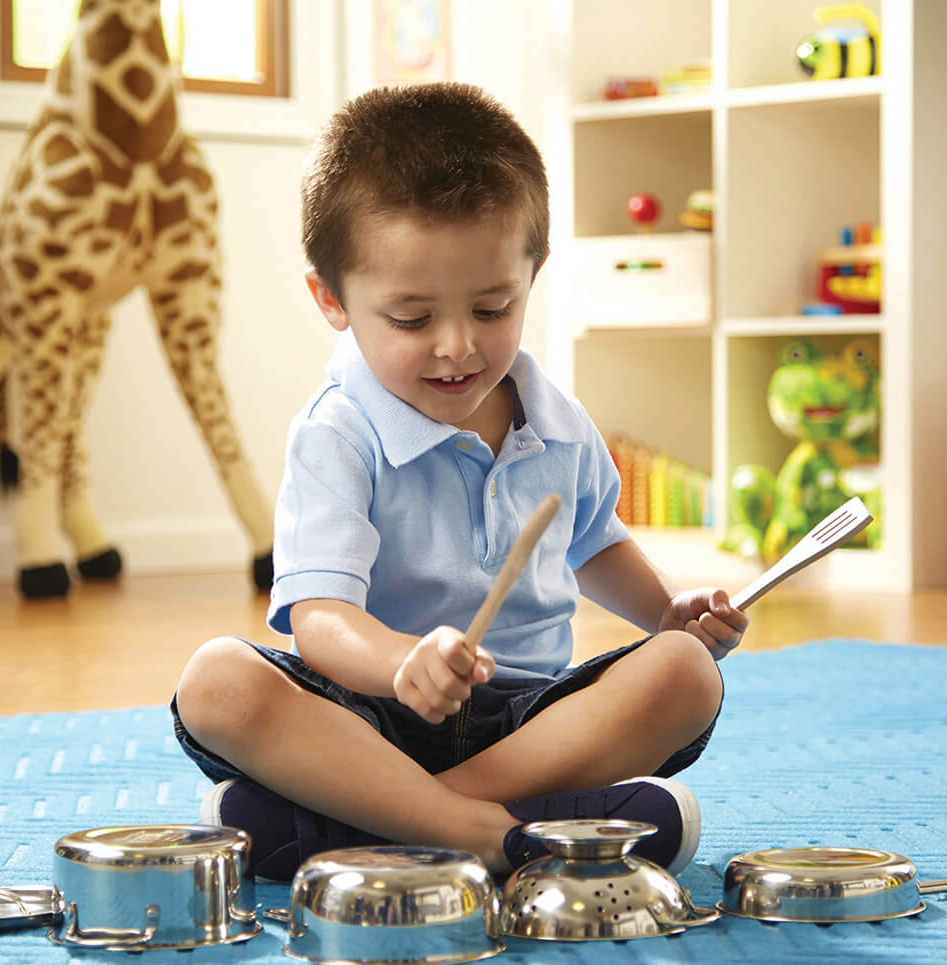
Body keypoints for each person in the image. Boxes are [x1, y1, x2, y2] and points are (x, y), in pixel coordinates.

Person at [172, 82, 747, 881]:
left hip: (533, 725)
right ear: (330, 299)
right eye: (412, 319)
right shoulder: (338, 431)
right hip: (369, 719)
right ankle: (504, 834)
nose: (457, 347)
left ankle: (381, 823)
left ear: (532, 272)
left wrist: (666, 610)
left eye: (491, 307)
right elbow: (320, 620)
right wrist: (402, 661)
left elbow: (595, 541)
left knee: (685, 670)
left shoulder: (557, 419)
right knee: (217, 684)